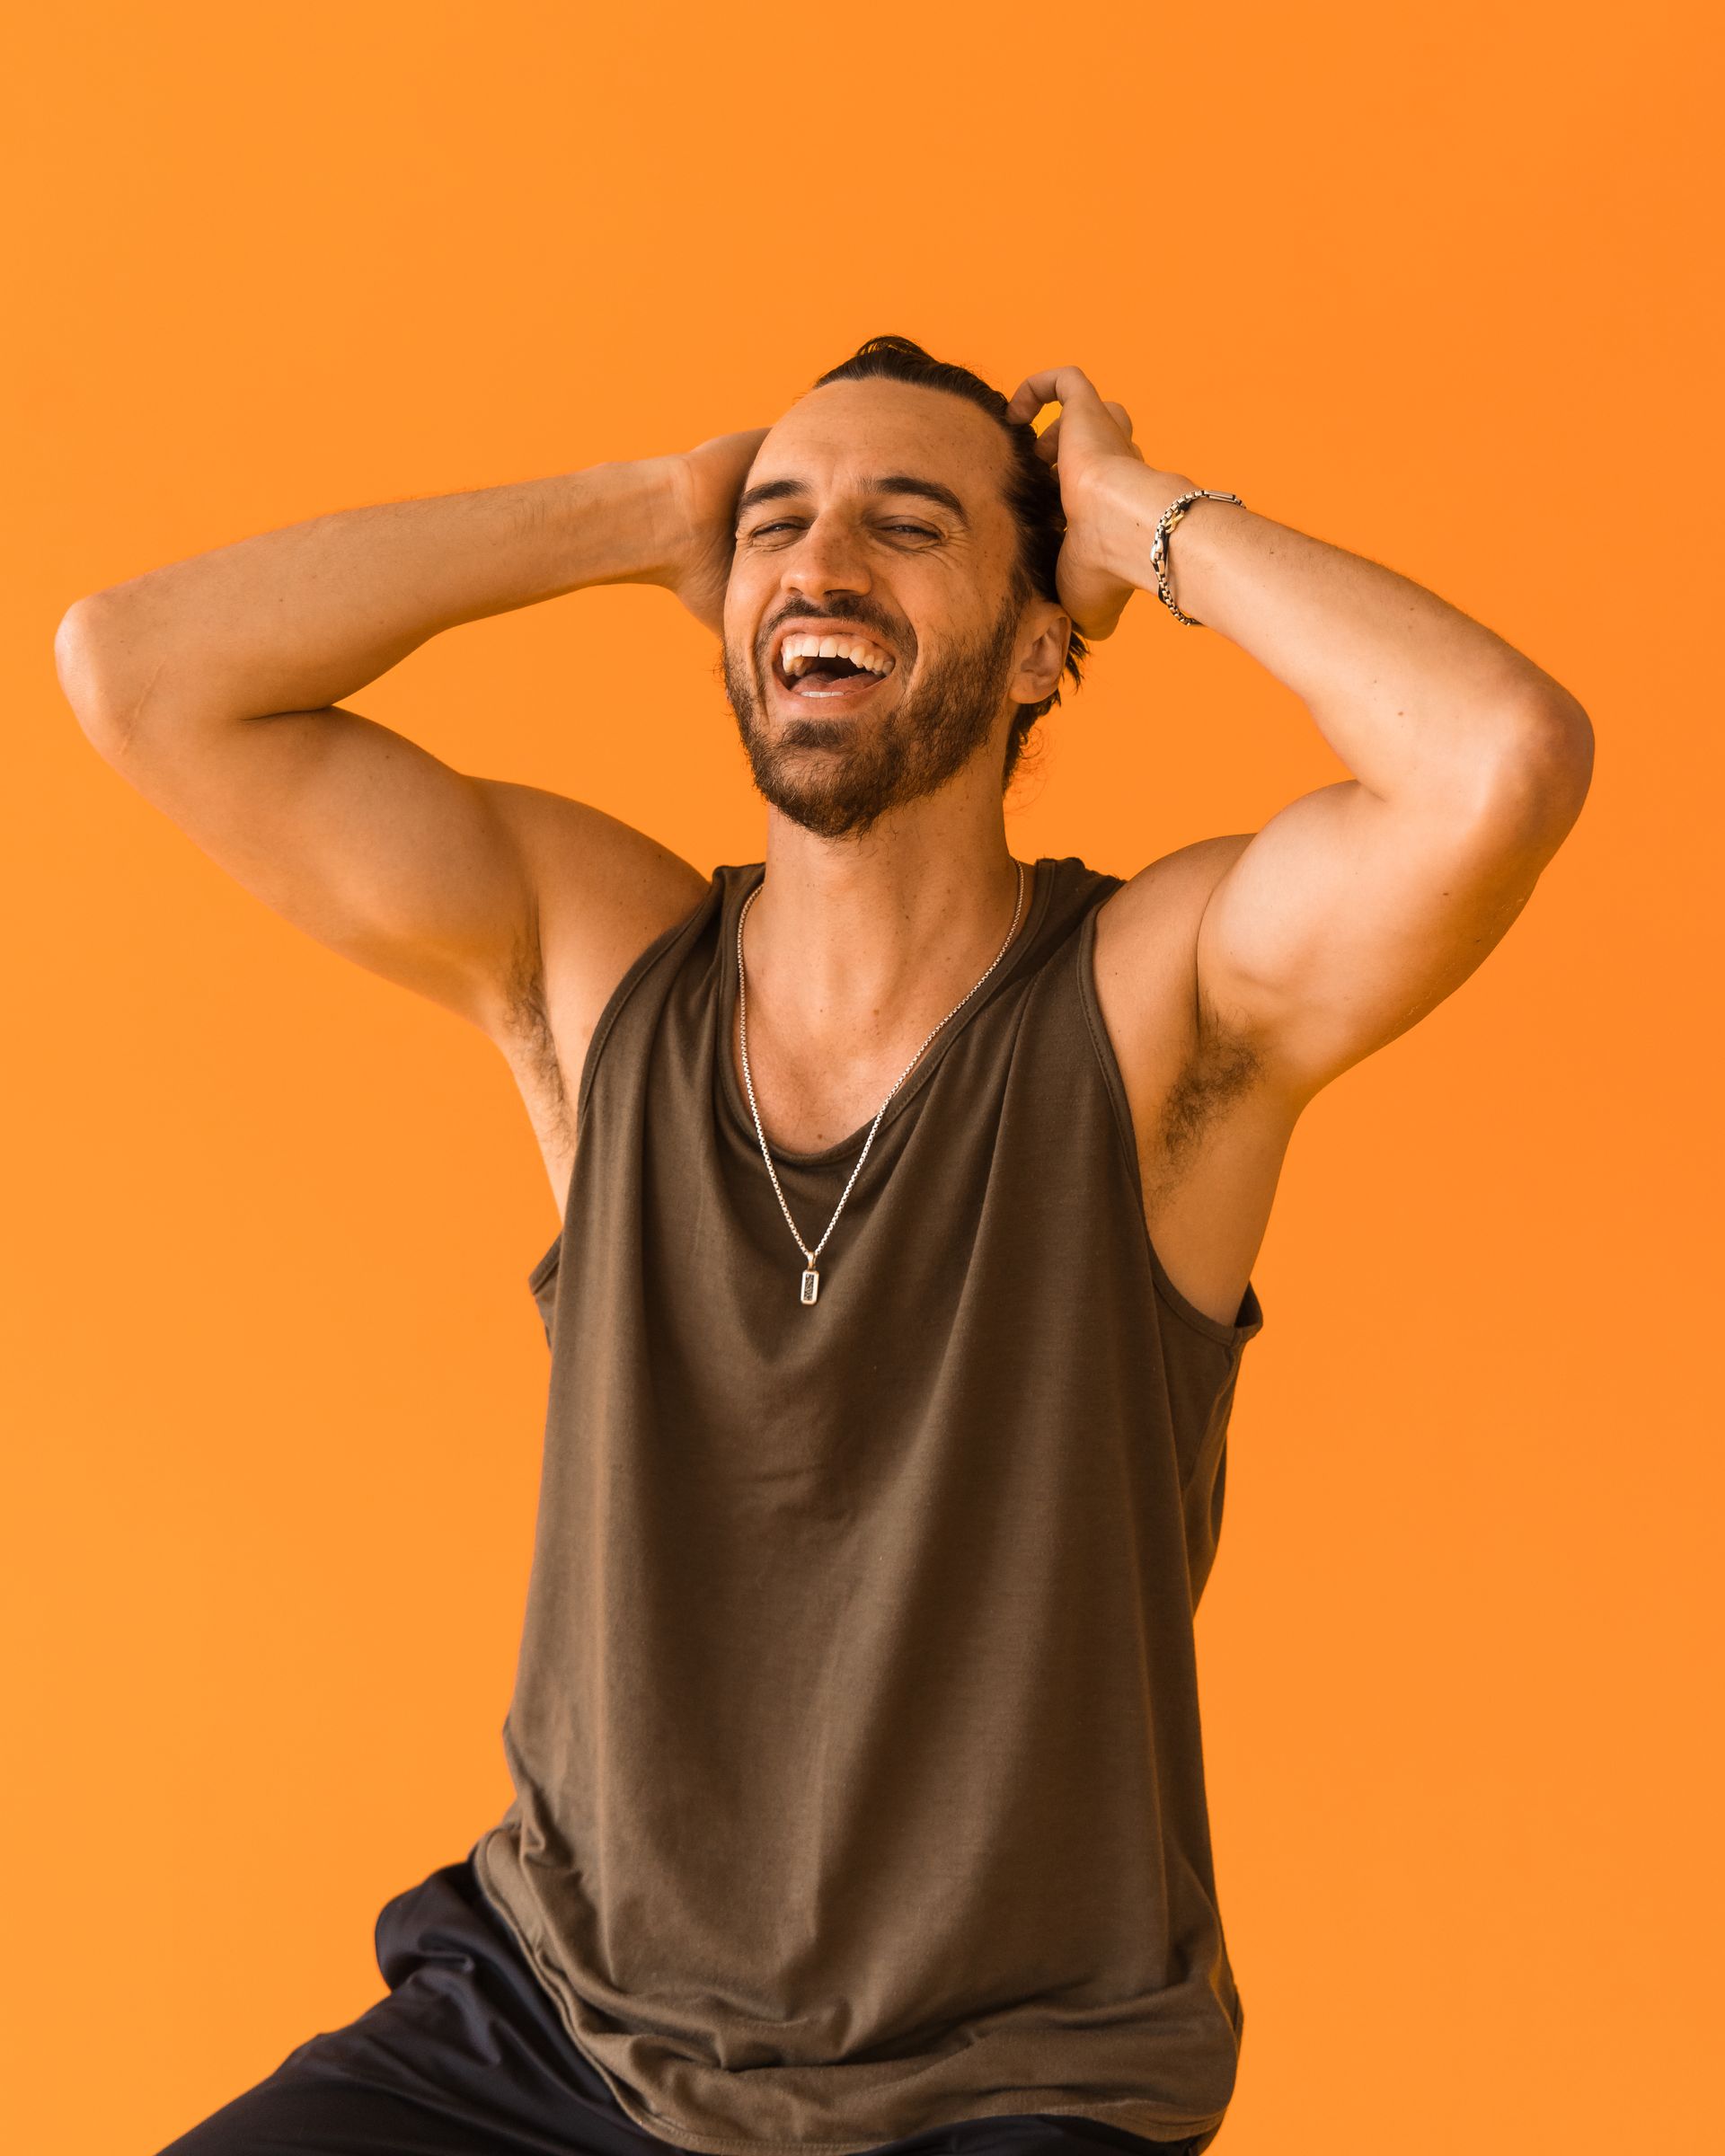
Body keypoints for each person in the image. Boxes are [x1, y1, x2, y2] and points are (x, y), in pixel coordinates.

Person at [57, 335, 1592, 2156]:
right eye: (778, 523)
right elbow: (138, 675)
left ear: (1041, 647)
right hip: (561, 2037)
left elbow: (1498, 759)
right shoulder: (602, 966)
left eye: (908, 524)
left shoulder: (1150, 1009)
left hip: (1005, 2085)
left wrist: (1127, 511)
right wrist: (646, 514)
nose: (820, 561)